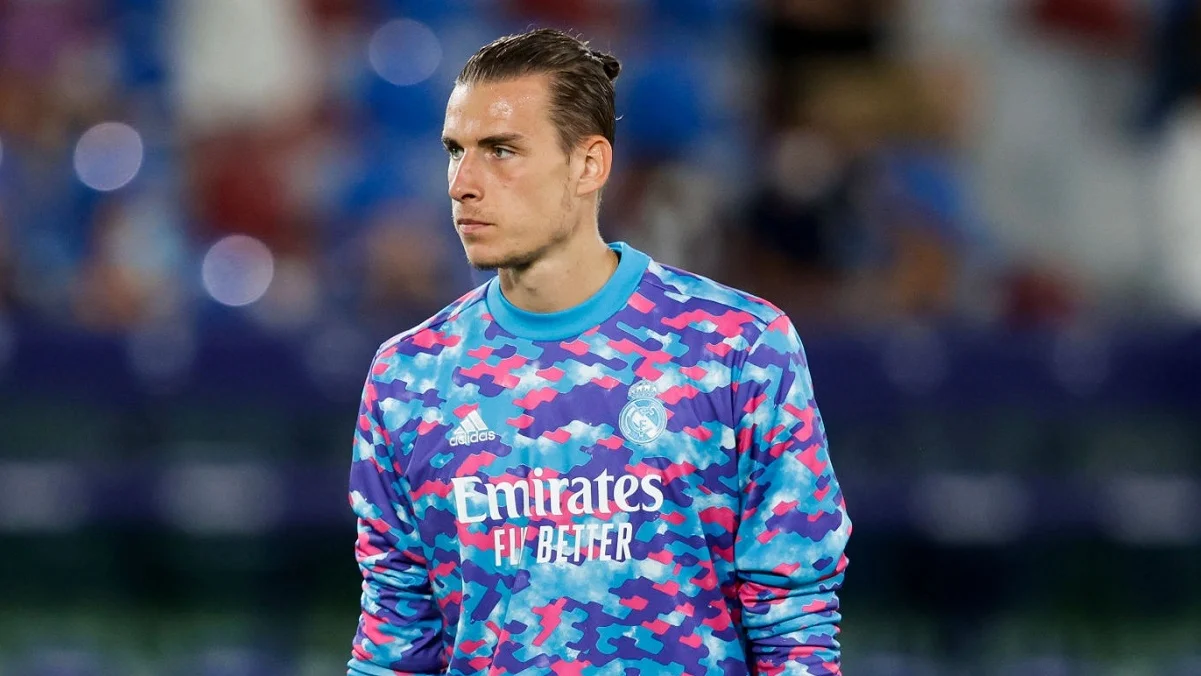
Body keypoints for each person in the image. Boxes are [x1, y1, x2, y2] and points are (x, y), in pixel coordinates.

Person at [347, 28, 852, 676]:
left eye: (501, 150)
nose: (462, 183)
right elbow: (394, 639)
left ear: (588, 164)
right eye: (455, 151)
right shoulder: (408, 376)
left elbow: (795, 626)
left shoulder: (738, 348)